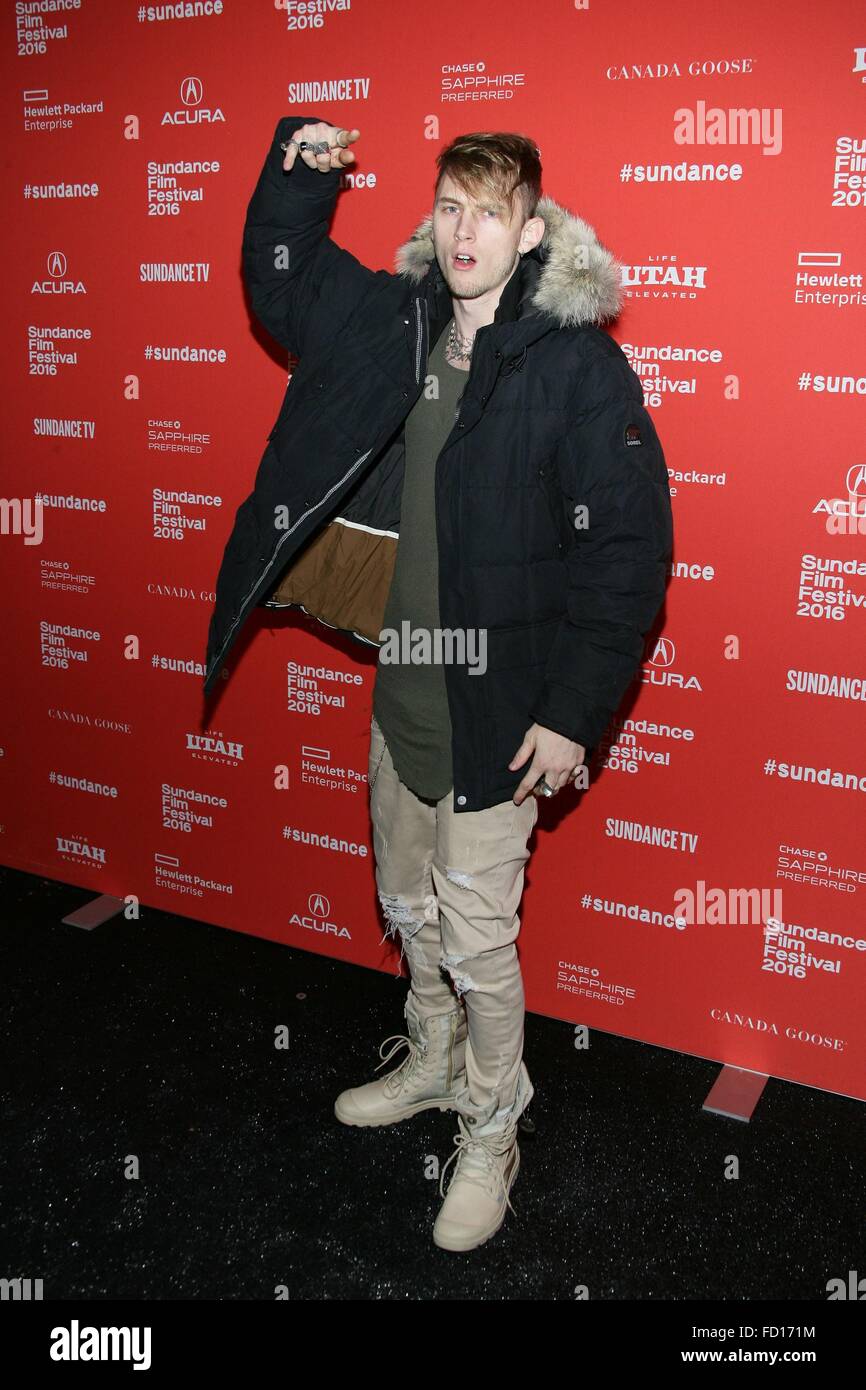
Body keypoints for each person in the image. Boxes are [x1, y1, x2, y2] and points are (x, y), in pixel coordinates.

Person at [204, 118, 674, 1253]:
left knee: (476, 932)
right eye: (449, 207)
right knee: (406, 897)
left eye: (490, 210)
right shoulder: (398, 320)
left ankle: (489, 1122)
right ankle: (426, 1056)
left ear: (529, 232)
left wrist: (571, 711)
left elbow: (627, 547)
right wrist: (296, 176)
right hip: (410, 679)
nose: (465, 231)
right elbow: (284, 286)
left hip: (503, 704)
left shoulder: (569, 362)